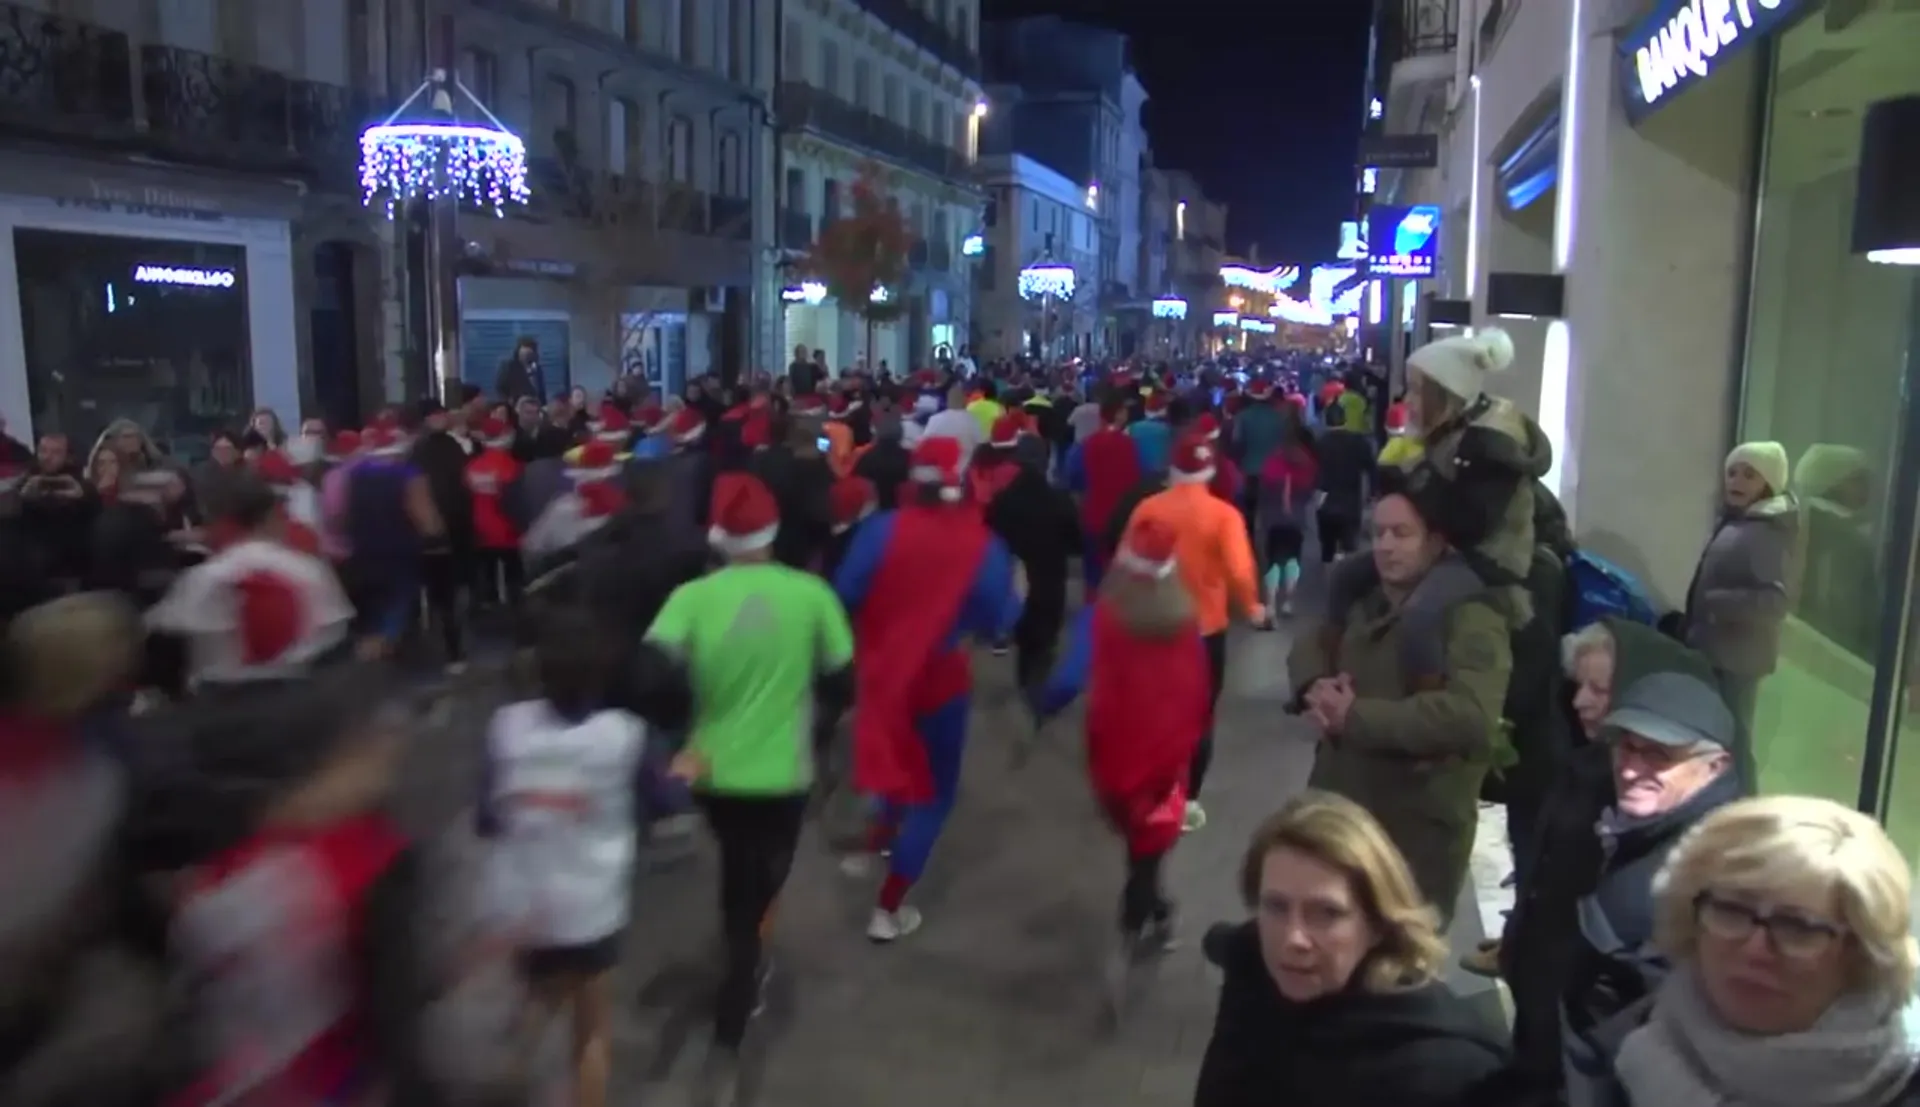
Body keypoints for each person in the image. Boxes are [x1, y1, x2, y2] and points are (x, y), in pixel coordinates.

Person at [644, 473, 855, 1107]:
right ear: (773, 532)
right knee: (759, 885)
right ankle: (735, 1008)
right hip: (783, 776)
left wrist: (677, 739)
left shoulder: (689, 598)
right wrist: (817, 721)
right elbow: (845, 682)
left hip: (710, 775)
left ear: (718, 535)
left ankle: (742, 955)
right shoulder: (812, 594)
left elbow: (646, 676)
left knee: (740, 875)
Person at [1565, 796, 1920, 1107]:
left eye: (1797, 927)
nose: (1754, 948)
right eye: (1731, 910)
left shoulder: (1902, 1087)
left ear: (1862, 953)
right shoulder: (1614, 1051)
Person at [1287, 475, 1514, 920]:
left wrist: (1354, 717)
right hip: (1343, 806)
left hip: (1414, 827)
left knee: (1399, 959)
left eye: (1402, 534)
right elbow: (1310, 642)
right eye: (1378, 533)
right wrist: (1313, 684)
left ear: (1437, 541)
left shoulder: (1471, 619)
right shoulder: (1364, 598)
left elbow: (1470, 716)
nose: (1386, 546)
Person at [1194, 791, 1509, 1107]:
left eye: (1327, 913)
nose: (1293, 938)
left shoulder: (1442, 1073)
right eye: (1276, 906)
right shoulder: (1253, 977)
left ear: (1377, 924)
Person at [835, 436, 1023, 941]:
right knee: (933, 791)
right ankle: (888, 906)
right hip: (939, 679)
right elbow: (998, 623)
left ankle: (872, 843)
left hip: (880, 671)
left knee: (895, 761)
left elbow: (845, 594)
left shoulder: (878, 531)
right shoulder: (985, 546)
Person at [478, 606, 647, 1107]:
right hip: (591, 909)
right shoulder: (625, 733)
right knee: (591, 1031)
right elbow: (662, 799)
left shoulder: (505, 727)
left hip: (524, 904)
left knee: (537, 1001)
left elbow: (487, 818)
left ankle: (501, 1087)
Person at [1032, 518, 1208, 964]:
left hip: (1113, 760)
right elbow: (1201, 692)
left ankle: (1149, 912)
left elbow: (1069, 678)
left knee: (1138, 845)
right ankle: (1144, 919)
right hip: (1167, 764)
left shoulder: (1103, 615)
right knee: (1147, 850)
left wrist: (1040, 708)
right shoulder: (1187, 621)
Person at [1123, 432, 1266, 832]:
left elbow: (1127, 564)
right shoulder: (1224, 516)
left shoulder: (1148, 509)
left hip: (1155, 627)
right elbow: (1239, 570)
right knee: (1199, 717)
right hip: (1204, 631)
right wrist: (1252, 607)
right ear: (1209, 470)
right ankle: (1185, 802)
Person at [1680, 440, 1796, 791]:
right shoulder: (1741, 521)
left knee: (1734, 738)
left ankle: (1746, 803)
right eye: (1732, 472)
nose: (1737, 481)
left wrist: (1719, 603)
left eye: (1750, 474)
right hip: (1719, 650)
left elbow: (1775, 601)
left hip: (1737, 659)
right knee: (1719, 733)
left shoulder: (1766, 533)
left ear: (1769, 483)